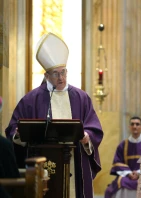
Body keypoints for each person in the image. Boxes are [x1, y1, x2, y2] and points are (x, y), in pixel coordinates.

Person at [5, 32, 103, 198]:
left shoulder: (81, 97)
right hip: (42, 161)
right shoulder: (31, 99)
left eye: (64, 72)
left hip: (75, 161)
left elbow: (94, 127)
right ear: (46, 76)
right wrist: (19, 134)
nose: (61, 78)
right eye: (56, 74)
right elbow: (13, 129)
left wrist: (87, 137)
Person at [104, 116, 141, 198]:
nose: (135, 126)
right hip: (127, 175)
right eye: (132, 124)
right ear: (129, 127)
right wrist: (129, 173)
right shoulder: (123, 144)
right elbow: (117, 162)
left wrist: (139, 173)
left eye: (137, 124)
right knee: (121, 182)